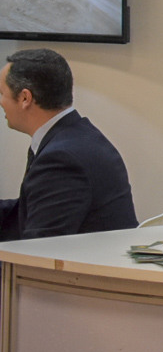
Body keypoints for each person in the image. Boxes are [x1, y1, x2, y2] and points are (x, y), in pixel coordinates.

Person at [0, 48, 138, 241]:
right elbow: (30, 211)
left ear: (25, 98)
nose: (1, 102)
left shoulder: (61, 159)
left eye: (2, 93)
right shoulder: (78, 136)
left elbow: (39, 248)